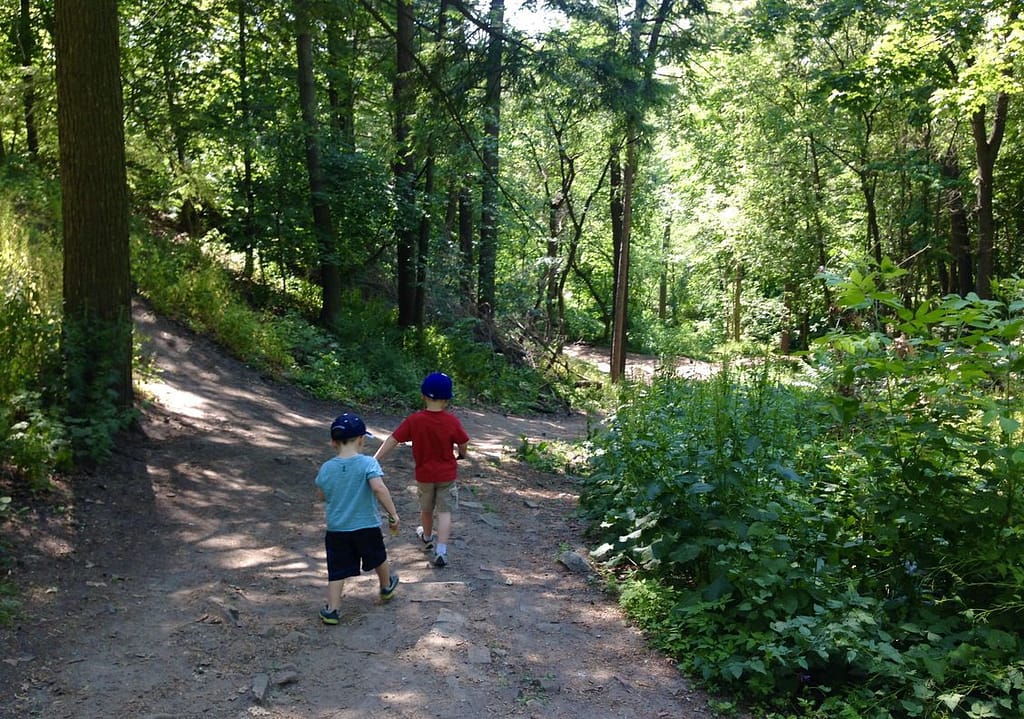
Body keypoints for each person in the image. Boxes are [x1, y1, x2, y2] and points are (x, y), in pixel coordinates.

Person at [374, 372, 469, 568]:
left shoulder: (414, 420)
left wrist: (375, 459)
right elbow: (463, 442)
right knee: (445, 512)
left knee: (426, 509)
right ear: (447, 400)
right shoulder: (451, 421)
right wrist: (462, 454)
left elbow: (393, 439)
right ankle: (441, 550)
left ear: (423, 396)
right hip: (446, 476)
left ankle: (426, 536)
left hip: (425, 476)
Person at [314, 412, 400, 625]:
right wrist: (393, 513)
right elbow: (379, 488)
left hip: (337, 529)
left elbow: (322, 494)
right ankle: (386, 585)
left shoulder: (326, 468)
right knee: (378, 556)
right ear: (362, 439)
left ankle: (333, 609)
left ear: (333, 442)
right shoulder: (367, 464)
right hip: (366, 526)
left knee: (337, 570)